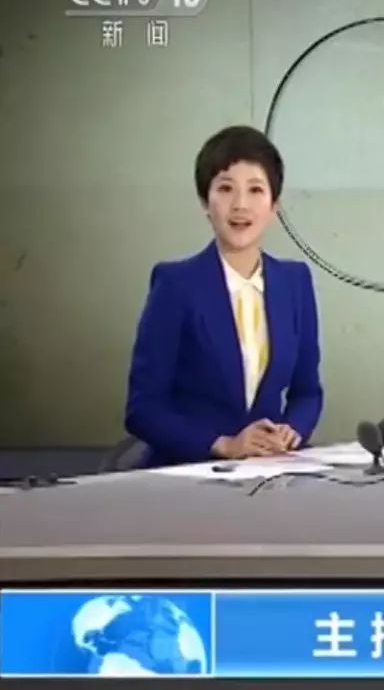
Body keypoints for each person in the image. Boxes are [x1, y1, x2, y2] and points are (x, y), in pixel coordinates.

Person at [124, 125, 323, 467]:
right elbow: (143, 409)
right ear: (206, 201)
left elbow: (307, 392)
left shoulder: (295, 282)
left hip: (268, 473)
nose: (241, 205)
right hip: (188, 473)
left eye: (256, 190)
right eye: (226, 188)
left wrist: (292, 430)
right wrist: (224, 445)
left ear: (274, 205)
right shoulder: (175, 284)